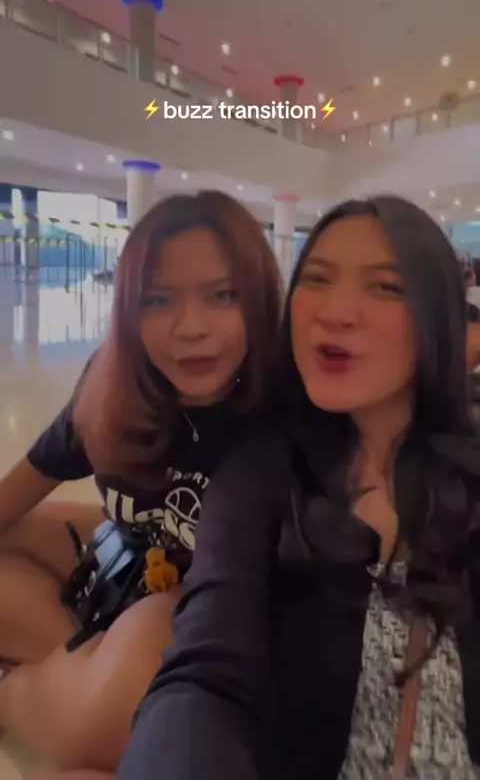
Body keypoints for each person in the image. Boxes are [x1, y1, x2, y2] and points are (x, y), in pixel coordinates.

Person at [118, 196, 480, 780]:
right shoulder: (261, 469)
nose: (335, 312)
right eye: (317, 279)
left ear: (436, 313)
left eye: (385, 287)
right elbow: (207, 665)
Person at [0, 190, 282, 773]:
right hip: (121, 563)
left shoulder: (283, 412)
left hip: (191, 618)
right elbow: (19, 490)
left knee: (109, 717)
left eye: (223, 295)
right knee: (13, 533)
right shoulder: (114, 385)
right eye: (158, 299)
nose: (191, 327)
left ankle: (28, 690)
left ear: (259, 300)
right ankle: (75, 676)